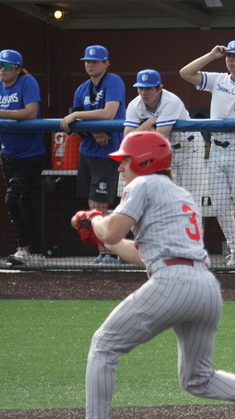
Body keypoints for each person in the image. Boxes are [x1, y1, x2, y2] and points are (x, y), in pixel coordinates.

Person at [51, 132, 235, 419]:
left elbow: (111, 230)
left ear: (144, 161)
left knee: (104, 345)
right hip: (205, 287)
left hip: (173, 283)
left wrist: (93, 218)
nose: (121, 168)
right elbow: (141, 253)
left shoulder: (143, 185)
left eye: (125, 160)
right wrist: (103, 235)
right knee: (197, 378)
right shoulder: (181, 194)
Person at [180, 40, 235, 266]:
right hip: (217, 147)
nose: (230, 59)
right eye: (228, 56)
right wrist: (211, 54)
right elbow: (185, 73)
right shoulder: (218, 79)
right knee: (220, 205)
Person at [60, 45, 126, 265]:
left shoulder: (113, 81)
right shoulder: (82, 88)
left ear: (106, 63)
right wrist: (93, 128)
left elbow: (109, 112)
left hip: (109, 150)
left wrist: (79, 116)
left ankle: (111, 252)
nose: (90, 64)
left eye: (95, 61)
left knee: (100, 204)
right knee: (92, 203)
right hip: (87, 150)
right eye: (87, 61)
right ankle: (103, 252)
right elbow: (73, 121)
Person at [123, 69, 205, 224]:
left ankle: (193, 245)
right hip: (166, 153)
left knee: (191, 199)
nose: (143, 92)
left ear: (159, 88)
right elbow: (127, 138)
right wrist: (150, 122)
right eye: (140, 88)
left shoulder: (170, 101)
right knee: (168, 199)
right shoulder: (135, 105)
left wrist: (142, 128)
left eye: (148, 88)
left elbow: (159, 138)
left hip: (189, 148)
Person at [0, 49, 47, 266]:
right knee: (24, 202)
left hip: (31, 154)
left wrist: (1, 113)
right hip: (8, 154)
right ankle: (37, 252)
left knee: (13, 198)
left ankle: (23, 248)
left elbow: (30, 112)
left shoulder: (27, 82)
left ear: (17, 69)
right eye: (0, 65)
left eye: (7, 66)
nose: (2, 69)